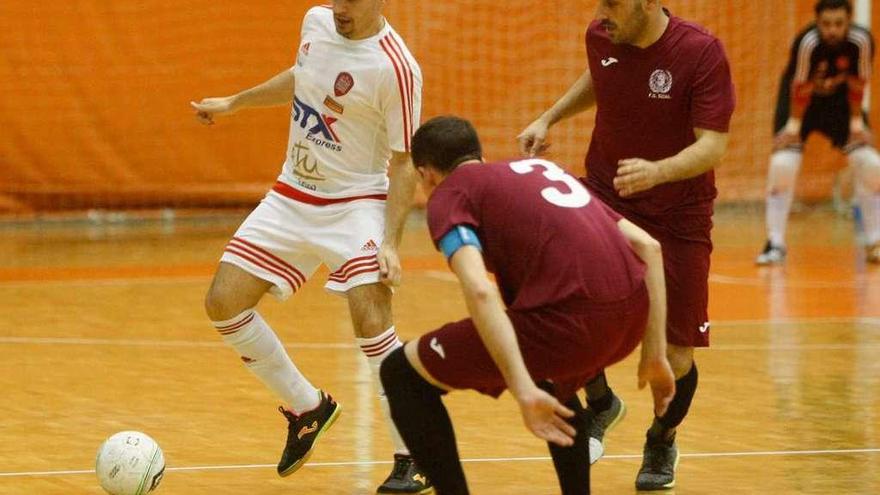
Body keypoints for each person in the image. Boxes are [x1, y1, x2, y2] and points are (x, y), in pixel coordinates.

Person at [191, 1, 432, 493]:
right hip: (291, 194)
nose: (341, 8)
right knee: (223, 303)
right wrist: (235, 101)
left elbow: (405, 162)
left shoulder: (397, 67)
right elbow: (304, 77)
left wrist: (390, 242)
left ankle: (416, 454)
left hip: (356, 202)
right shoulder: (315, 21)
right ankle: (308, 408)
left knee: (371, 320)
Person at [380, 115, 675, 495]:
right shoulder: (541, 167)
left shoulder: (449, 194)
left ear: (426, 175)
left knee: (401, 374)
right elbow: (649, 247)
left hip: (570, 324)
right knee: (554, 378)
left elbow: (480, 291)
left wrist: (521, 389)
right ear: (478, 155)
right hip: (633, 315)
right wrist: (655, 354)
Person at [517, 0, 735, 490]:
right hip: (607, 192)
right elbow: (602, 75)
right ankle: (600, 403)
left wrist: (658, 171)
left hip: (678, 214)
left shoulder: (700, 53)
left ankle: (662, 437)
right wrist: (548, 117)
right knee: (554, 284)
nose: (601, 12)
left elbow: (713, 145)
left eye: (611, 3)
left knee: (677, 355)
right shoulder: (602, 35)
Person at [756, 0, 879, 265]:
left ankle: (874, 241)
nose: (832, 30)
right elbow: (800, 86)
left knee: (869, 163)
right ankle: (775, 243)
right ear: (817, 22)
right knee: (783, 164)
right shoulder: (808, 42)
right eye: (826, 24)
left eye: (838, 24)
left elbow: (859, 82)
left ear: (849, 21)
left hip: (840, 106)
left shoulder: (862, 41)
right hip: (801, 105)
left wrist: (857, 124)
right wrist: (792, 128)